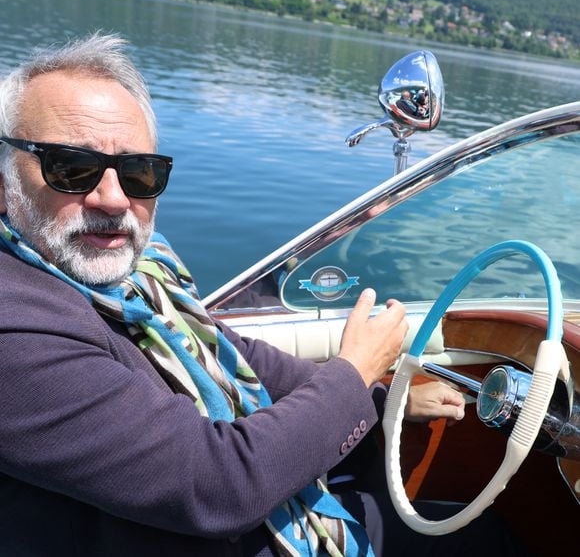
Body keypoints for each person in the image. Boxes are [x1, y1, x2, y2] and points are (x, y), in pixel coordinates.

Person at [0, 34, 521, 557]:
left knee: (484, 532)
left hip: (273, 521)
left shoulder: (138, 271)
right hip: (229, 525)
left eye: (139, 172)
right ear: (5, 182)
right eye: (70, 168)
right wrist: (354, 374)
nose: (113, 198)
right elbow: (217, 484)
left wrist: (384, 401)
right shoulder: (15, 330)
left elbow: (231, 353)